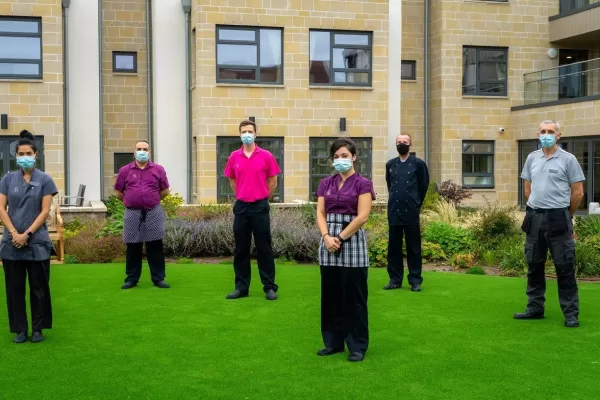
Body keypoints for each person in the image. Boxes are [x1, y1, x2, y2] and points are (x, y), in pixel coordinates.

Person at [516, 120, 585, 328]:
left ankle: (571, 314)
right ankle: (535, 308)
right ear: (538, 134)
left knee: (564, 267)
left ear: (558, 136)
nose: (546, 134)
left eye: (550, 132)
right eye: (543, 131)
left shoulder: (568, 160)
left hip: (558, 218)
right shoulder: (531, 158)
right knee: (534, 265)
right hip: (534, 218)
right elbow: (527, 190)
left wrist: (566, 214)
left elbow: (578, 193)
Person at [316, 138, 375, 362]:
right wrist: (326, 237)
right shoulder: (325, 184)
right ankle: (333, 342)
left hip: (351, 241)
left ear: (354, 157)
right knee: (331, 296)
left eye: (344, 156)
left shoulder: (363, 183)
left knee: (355, 297)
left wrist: (339, 237)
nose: (340, 160)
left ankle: (357, 345)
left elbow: (363, 216)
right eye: (337, 156)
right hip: (328, 242)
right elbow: (321, 213)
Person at [0, 130, 58, 343]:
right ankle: (20, 330)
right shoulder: (7, 179)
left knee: (39, 288)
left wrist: (28, 234)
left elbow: (44, 211)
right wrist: (15, 233)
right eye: (21, 153)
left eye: (28, 153)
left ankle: (37, 329)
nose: (25, 156)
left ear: (36, 155)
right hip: (12, 244)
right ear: (16, 156)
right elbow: (1, 208)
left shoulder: (45, 180)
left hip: (37, 243)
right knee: (14, 289)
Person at [224, 120, 281, 300]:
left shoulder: (266, 156)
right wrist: (242, 194)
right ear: (239, 134)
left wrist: (262, 197)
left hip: (260, 206)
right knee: (241, 248)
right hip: (241, 207)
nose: (247, 134)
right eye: (243, 131)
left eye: (250, 131)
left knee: (264, 248)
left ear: (256, 134)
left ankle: (269, 287)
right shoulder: (234, 157)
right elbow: (232, 180)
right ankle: (241, 288)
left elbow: (273, 181)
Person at [114, 140, 171, 289]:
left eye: (145, 149)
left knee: (155, 246)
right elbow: (119, 193)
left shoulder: (158, 169)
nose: (142, 151)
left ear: (149, 152)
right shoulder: (125, 170)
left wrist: (153, 200)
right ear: (134, 152)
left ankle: (158, 279)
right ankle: (131, 279)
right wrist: (131, 201)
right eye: (139, 149)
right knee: (133, 247)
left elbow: (165, 191)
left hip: (153, 212)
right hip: (132, 213)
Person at [384, 133, 429, 292]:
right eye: (399, 142)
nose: (401, 144)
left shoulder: (418, 164)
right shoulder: (390, 164)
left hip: (411, 211)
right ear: (395, 144)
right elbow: (391, 186)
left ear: (410, 145)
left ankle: (415, 280)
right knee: (394, 248)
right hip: (394, 211)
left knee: (413, 247)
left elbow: (423, 186)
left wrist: (416, 203)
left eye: (404, 142)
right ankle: (395, 279)